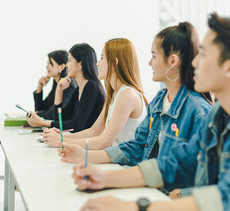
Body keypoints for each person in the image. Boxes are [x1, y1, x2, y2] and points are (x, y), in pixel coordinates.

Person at [72, 13, 230, 211]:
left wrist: (136, 207)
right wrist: (104, 179)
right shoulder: (218, 114)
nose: (194, 62)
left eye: (203, 54)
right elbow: (177, 164)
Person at [58, 22, 211, 172]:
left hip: (156, 186)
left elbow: (192, 172)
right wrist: (84, 155)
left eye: (154, 56)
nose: (149, 63)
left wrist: (75, 148)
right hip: (142, 177)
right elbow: (137, 147)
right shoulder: (158, 101)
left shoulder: (197, 110)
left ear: (172, 61)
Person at [42, 38, 148, 149]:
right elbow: (94, 131)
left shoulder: (127, 95)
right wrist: (61, 137)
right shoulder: (114, 94)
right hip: (116, 158)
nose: (97, 63)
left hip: (125, 163)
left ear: (114, 63)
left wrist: (61, 140)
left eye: (102, 58)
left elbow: (103, 142)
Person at [27, 43, 105, 133]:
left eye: (70, 60)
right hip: (77, 141)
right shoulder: (78, 90)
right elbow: (59, 119)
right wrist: (59, 91)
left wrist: (43, 123)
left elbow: (77, 125)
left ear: (81, 64)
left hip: (88, 145)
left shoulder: (91, 87)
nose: (67, 65)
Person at [33, 50, 77, 120]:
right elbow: (41, 109)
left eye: (50, 63)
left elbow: (54, 114)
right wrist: (39, 88)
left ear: (62, 67)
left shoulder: (68, 85)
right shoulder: (56, 84)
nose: (46, 67)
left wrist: (39, 113)